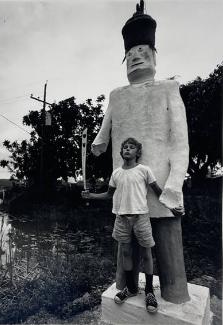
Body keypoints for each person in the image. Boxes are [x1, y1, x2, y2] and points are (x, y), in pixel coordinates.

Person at [91, 0, 190, 304]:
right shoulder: (116, 96)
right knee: (126, 247)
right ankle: (129, 287)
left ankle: (172, 291)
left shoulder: (168, 89)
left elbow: (180, 143)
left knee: (167, 243)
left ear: (153, 55)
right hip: (125, 196)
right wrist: (98, 143)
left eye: (141, 52)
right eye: (130, 54)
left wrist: (173, 185)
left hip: (159, 187)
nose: (136, 57)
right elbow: (102, 136)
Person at [82, 137, 181, 312]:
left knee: (147, 253)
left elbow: (158, 192)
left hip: (141, 217)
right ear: (121, 152)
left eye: (131, 147)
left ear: (137, 152)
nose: (127, 149)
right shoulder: (116, 173)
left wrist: (172, 207)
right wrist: (91, 196)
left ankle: (149, 292)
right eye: (125, 147)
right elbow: (108, 195)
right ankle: (131, 288)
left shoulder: (144, 170)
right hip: (121, 218)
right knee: (126, 253)